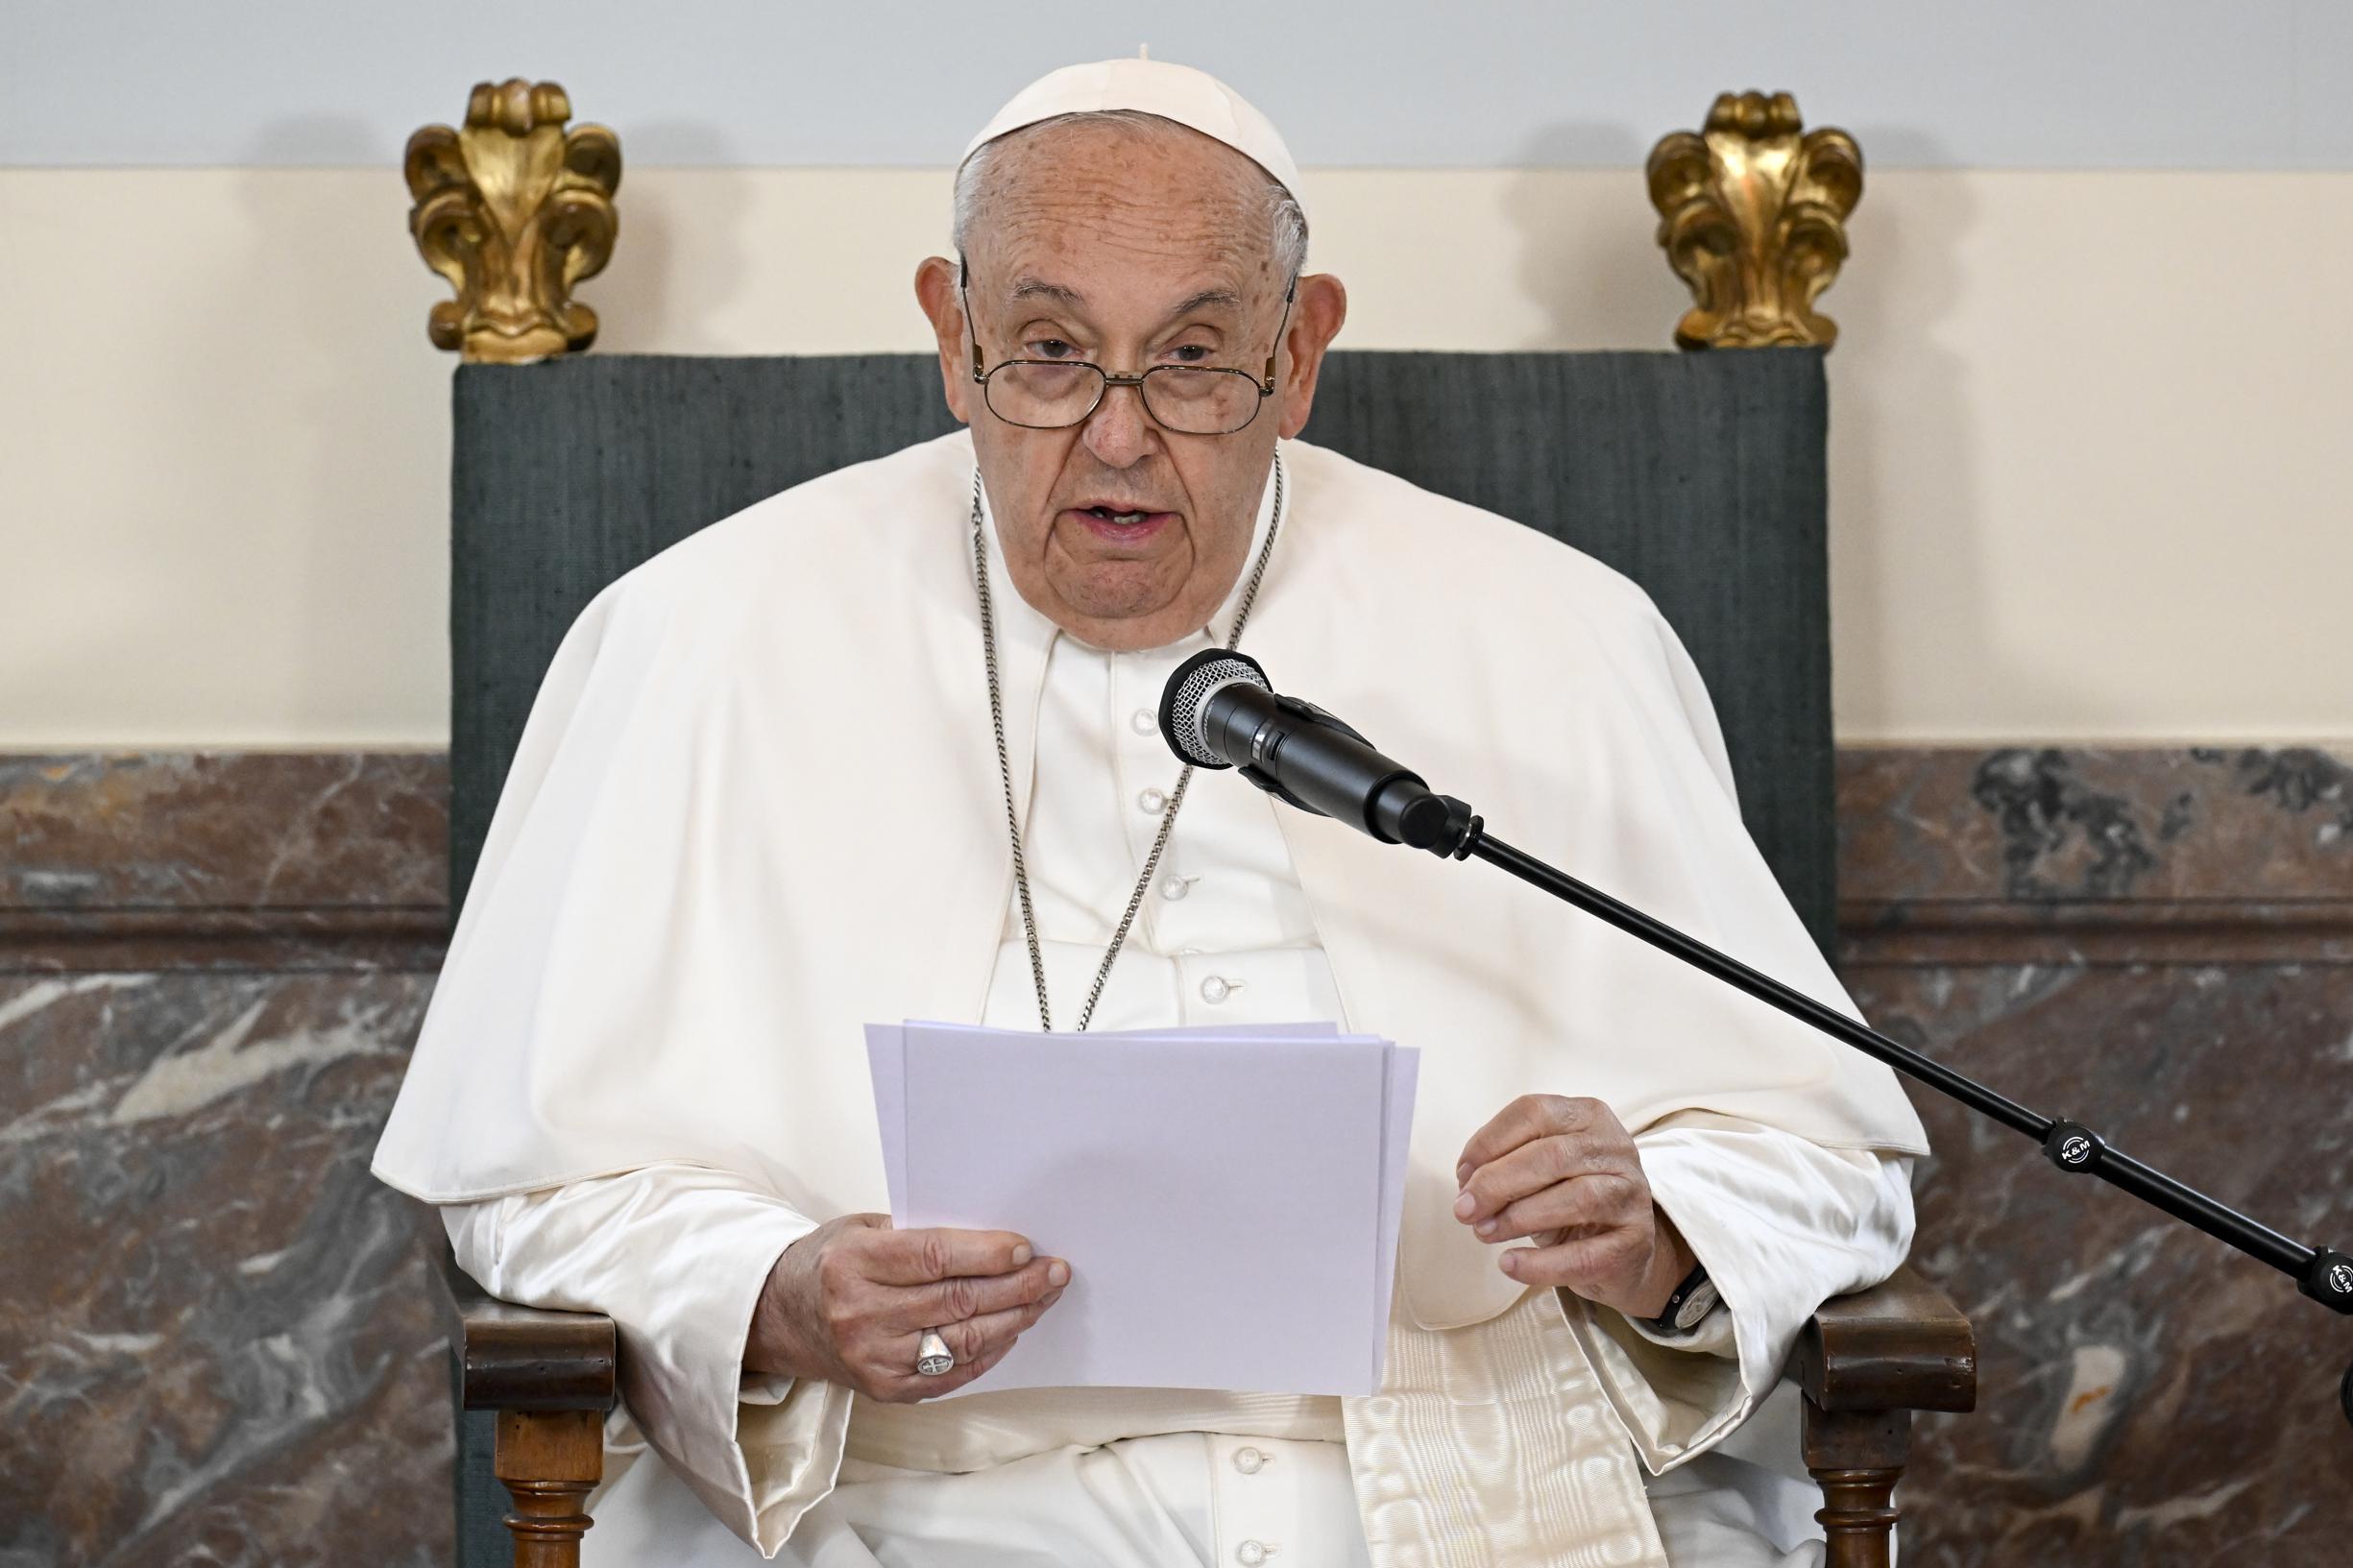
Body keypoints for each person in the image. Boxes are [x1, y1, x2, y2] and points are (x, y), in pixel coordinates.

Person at [376, 57, 1928, 1568]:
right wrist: (773, 1293)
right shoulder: (700, 632)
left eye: (1190, 358)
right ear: (948, 329)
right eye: (1047, 351)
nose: (1116, 435)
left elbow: (1822, 1155)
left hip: (1468, 1485)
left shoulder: (1553, 631)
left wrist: (1657, 1225)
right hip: (903, 1505)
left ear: (1300, 352)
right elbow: (532, 1187)